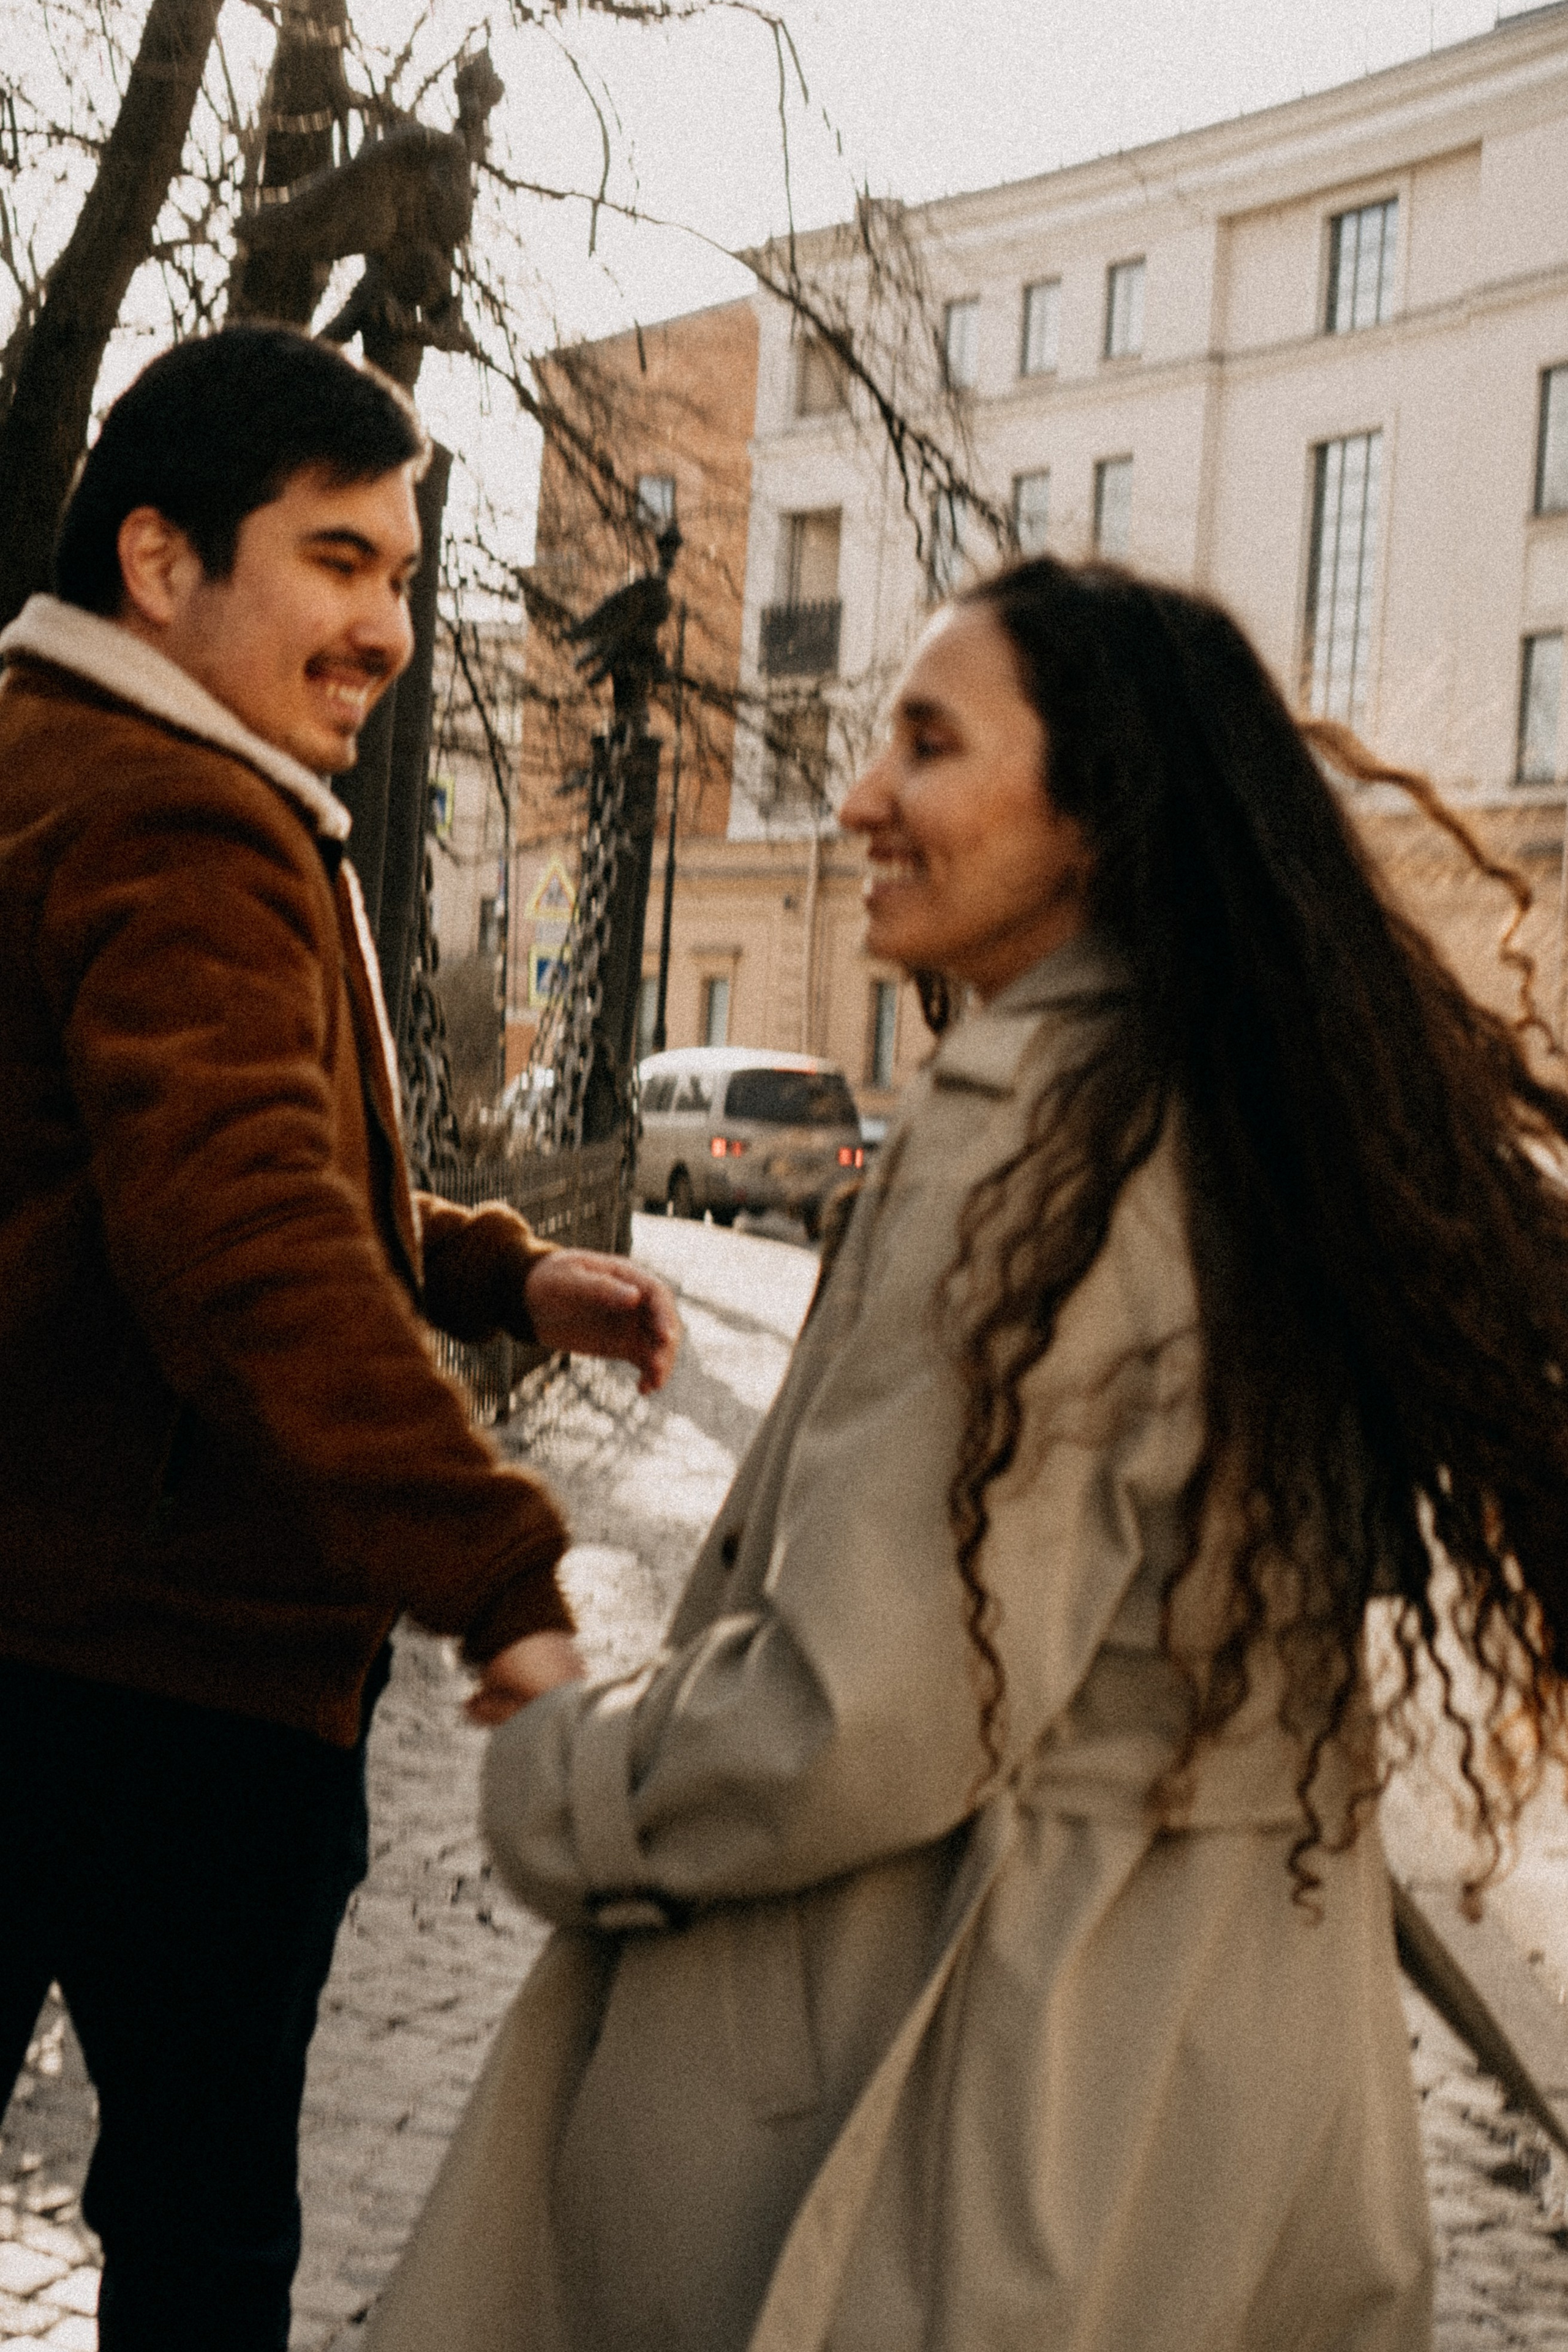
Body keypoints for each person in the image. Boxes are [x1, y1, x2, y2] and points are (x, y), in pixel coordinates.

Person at [363, 556, 1568, 2352]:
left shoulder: (1037, 1144)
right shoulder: (1254, 1109)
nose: (861, 801)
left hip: (987, 2073)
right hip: (1232, 2063)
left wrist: (563, 1767)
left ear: (1097, 815)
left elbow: (866, 1711)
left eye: (928, 745)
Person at [0, 325, 674, 2350]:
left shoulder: (71, 764)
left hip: (52, 1623)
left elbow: (125, 1172)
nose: (385, 625)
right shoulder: (174, 817)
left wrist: (489, 1265)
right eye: (335, 562)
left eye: (399, 571)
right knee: (204, 2252)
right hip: (158, 1683)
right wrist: (491, 1563)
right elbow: (240, 1241)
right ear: (157, 559)